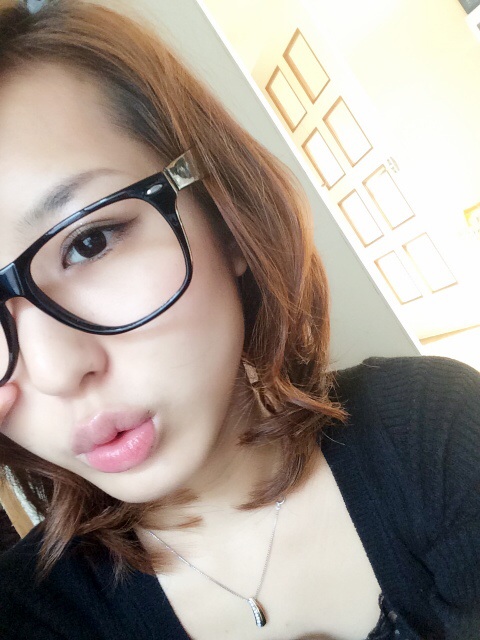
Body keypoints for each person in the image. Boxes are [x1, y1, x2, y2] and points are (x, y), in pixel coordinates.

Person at [0, 1, 478, 638]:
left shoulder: (433, 431)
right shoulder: (30, 614)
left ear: (223, 215)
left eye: (90, 242)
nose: (57, 370)